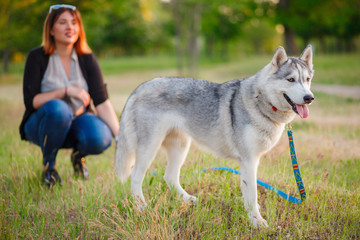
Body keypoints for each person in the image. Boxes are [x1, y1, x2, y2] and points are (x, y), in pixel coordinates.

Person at [19, 4, 119, 187]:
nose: (70, 27)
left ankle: (78, 157)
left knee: (101, 136)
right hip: (42, 124)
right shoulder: (36, 57)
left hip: (76, 122)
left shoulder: (87, 58)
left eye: (74, 23)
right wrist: (64, 91)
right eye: (62, 22)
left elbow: (102, 101)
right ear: (50, 29)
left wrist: (120, 137)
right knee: (59, 109)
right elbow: (31, 102)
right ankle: (49, 168)